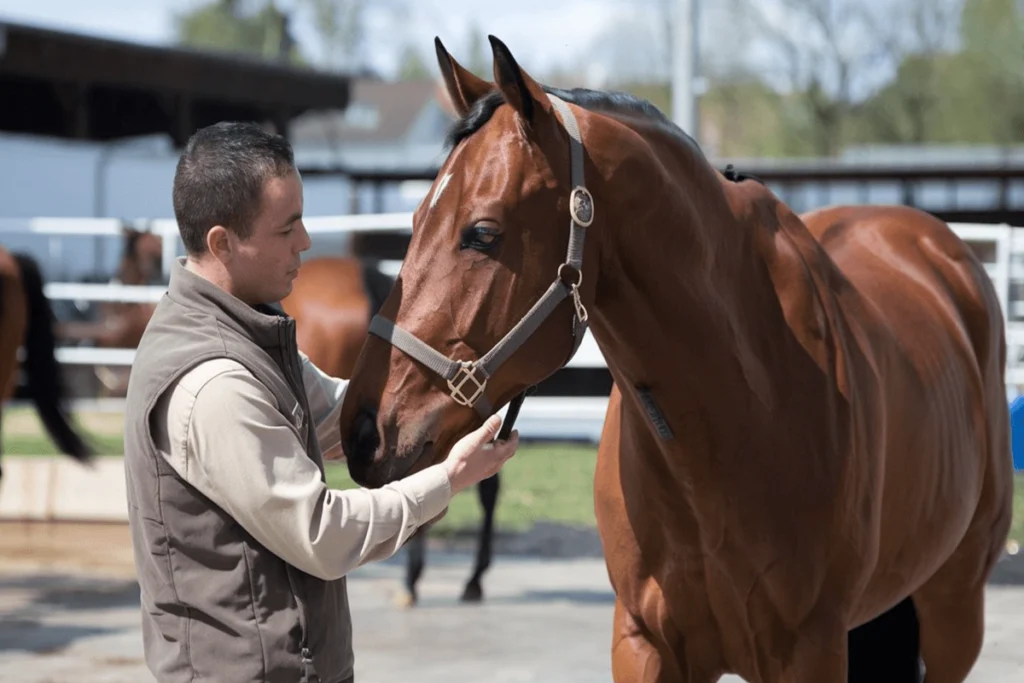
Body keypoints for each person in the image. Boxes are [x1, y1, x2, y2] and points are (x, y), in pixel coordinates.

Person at [122, 121, 519, 683]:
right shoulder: (214, 384)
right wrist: (448, 481)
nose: (306, 241)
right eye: (288, 228)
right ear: (222, 243)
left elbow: (339, 416)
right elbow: (323, 535)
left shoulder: (253, 334)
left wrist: (449, 403)